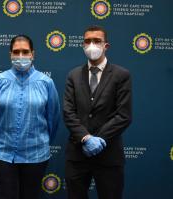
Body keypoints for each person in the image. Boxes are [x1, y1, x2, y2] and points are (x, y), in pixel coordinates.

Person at [63, 25, 132, 199]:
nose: (92, 45)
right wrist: (86, 138)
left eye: (97, 41)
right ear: (82, 45)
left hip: (109, 156)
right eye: (87, 41)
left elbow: (123, 115)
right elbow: (68, 112)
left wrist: (98, 140)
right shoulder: (74, 75)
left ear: (106, 46)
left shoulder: (121, 75)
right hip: (78, 155)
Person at [0, 35, 60, 199]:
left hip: (36, 156)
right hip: (4, 155)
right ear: (10, 54)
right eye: (16, 51)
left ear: (32, 54)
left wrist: (40, 141)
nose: (21, 56)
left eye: (25, 51)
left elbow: (53, 120)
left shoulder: (46, 83)